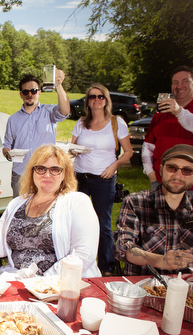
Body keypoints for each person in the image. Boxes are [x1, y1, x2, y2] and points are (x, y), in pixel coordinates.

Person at [0, 144, 101, 278]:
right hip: (16, 281)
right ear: (32, 172)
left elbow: (84, 254)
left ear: (64, 174)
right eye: (41, 169)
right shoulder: (17, 203)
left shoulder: (77, 202)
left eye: (55, 169)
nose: (47, 175)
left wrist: (41, 282)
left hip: (62, 283)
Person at [115, 144, 193, 276]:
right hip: (143, 285)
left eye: (187, 171)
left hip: (190, 288)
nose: (178, 176)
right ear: (161, 169)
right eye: (172, 168)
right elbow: (123, 248)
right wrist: (162, 261)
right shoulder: (136, 202)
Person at [71, 83, 133, 276]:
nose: (96, 100)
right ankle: (76, 264)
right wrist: (73, 151)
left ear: (106, 100)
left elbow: (128, 152)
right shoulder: (81, 123)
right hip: (79, 177)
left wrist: (113, 167)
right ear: (87, 102)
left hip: (104, 180)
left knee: (103, 224)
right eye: (92, 97)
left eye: (100, 97)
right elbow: (69, 148)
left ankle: (106, 267)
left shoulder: (117, 123)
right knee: (77, 222)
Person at [143, 65, 193, 191]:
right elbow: (148, 147)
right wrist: (151, 175)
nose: (179, 86)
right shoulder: (160, 115)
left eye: (185, 81)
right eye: (175, 82)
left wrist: (178, 111)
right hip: (163, 186)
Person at [2, 72, 70, 196]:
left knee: (45, 212)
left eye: (33, 91)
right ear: (21, 94)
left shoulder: (49, 111)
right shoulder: (13, 119)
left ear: (39, 92)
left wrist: (59, 85)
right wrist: (8, 153)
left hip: (46, 174)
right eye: (26, 92)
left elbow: (65, 111)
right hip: (20, 174)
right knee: (21, 212)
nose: (30, 95)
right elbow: (6, 145)